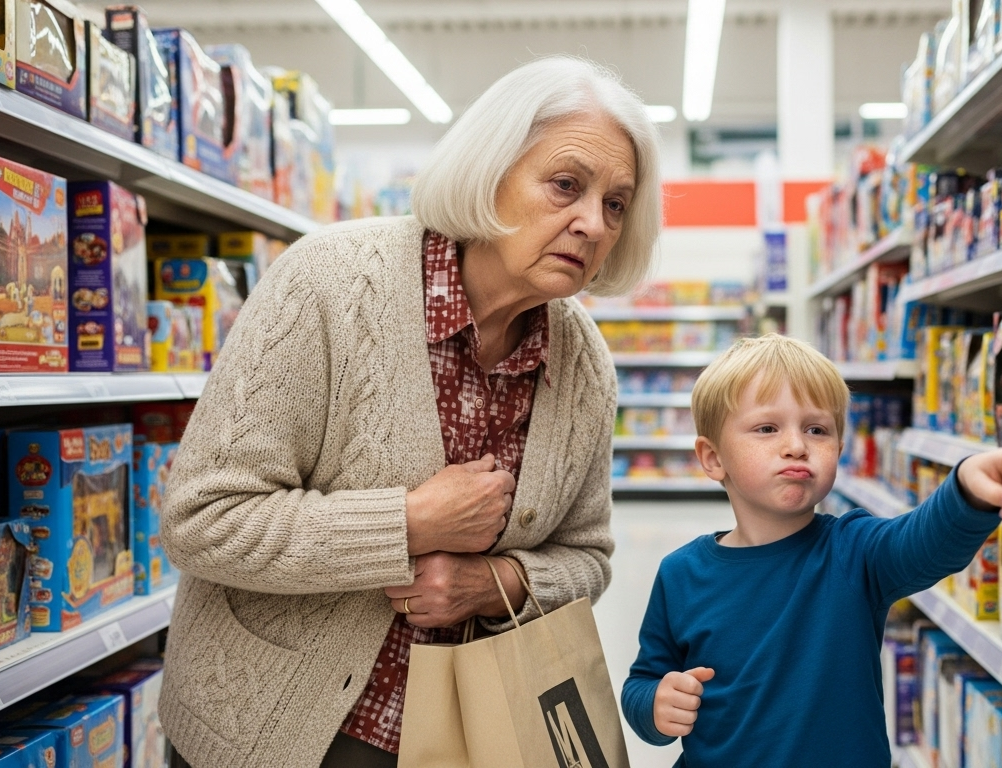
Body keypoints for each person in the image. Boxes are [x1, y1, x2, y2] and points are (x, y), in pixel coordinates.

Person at [158, 55, 662, 768]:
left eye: (616, 204)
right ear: (490, 173)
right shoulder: (327, 284)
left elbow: (587, 557)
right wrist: (409, 522)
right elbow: (201, 521)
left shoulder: (583, 366)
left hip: (465, 738)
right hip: (277, 730)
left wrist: (499, 584)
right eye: (566, 186)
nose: (592, 223)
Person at [622, 334, 1002, 766]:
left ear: (839, 450)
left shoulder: (855, 551)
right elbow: (641, 682)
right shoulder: (680, 574)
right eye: (767, 428)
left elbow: (922, 544)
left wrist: (966, 492)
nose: (796, 444)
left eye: (817, 429)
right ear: (713, 458)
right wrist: (657, 706)